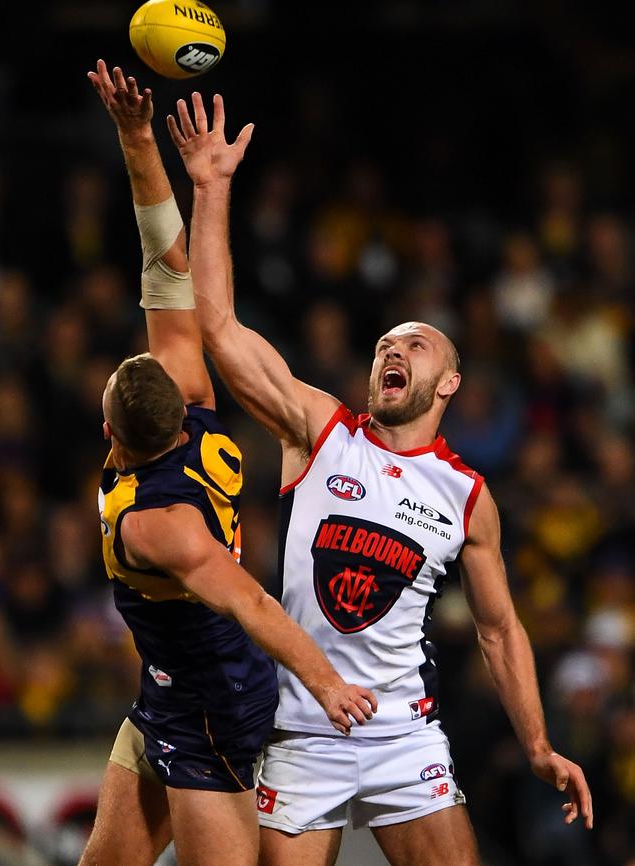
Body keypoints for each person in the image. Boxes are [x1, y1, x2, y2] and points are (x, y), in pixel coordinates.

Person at [167, 92, 594, 866]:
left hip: (405, 735)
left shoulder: (468, 495)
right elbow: (219, 327)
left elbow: (499, 631)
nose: (393, 350)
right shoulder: (320, 429)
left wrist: (537, 743)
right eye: (384, 345)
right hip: (303, 729)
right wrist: (210, 187)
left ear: (451, 383)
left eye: (417, 345)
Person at [80, 61, 376, 866]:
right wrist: (136, 138)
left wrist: (326, 685)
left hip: (212, 709)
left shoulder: (157, 526)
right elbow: (165, 263)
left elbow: (250, 602)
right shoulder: (191, 401)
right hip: (167, 690)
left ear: (111, 429)